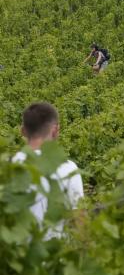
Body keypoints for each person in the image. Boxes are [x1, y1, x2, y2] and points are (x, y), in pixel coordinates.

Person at [11, 101, 83, 239]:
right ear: (56, 130)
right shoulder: (69, 169)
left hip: (16, 258)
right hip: (56, 258)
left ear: (23, 131)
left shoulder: (8, 167)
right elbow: (79, 223)